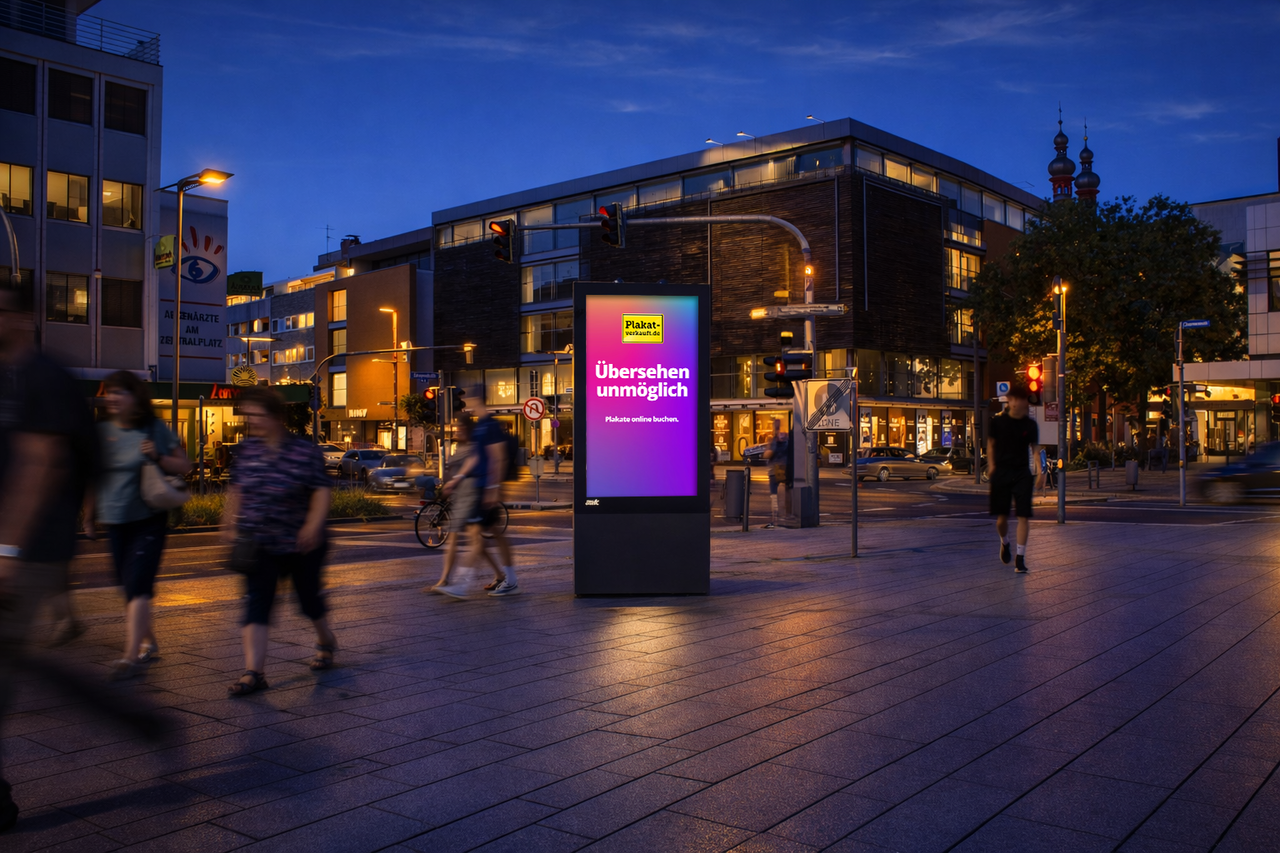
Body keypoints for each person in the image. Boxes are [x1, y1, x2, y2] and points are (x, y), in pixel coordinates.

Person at [0, 287, 99, 832]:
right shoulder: (9, 378)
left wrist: (7, 552)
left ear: (19, 316)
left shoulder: (42, 377)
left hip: (28, 550)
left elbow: (42, 465)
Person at [221, 386, 335, 696]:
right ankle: (253, 672)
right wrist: (230, 521)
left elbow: (322, 491)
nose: (253, 421)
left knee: (308, 600)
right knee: (257, 603)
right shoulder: (247, 450)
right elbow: (237, 489)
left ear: (276, 417)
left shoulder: (304, 451)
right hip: (260, 541)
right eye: (249, 415)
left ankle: (325, 640)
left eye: (259, 415)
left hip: (301, 542)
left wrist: (312, 526)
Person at [83, 371, 191, 680]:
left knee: (138, 586)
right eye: (110, 392)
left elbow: (184, 465)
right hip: (116, 521)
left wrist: (157, 455)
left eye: (121, 392)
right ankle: (150, 640)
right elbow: (94, 477)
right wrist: (89, 517)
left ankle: (130, 657)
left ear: (136, 397)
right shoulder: (101, 432)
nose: (114, 398)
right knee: (127, 587)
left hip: (149, 520)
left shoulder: (153, 428)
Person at [435, 392, 518, 597]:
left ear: (479, 400)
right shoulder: (480, 426)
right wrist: (458, 479)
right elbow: (475, 458)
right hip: (480, 488)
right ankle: (507, 579)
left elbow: (498, 458)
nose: (468, 403)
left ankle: (464, 584)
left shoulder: (489, 425)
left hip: (485, 488)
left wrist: (493, 489)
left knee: (483, 537)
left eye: (471, 399)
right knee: (489, 535)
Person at [987, 385, 1044, 573]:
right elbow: (991, 445)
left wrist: (1040, 471)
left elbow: (1035, 450)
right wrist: (992, 465)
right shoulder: (997, 423)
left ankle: (1020, 558)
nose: (1023, 403)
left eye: (1025, 400)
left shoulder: (1030, 425)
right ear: (1011, 402)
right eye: (1019, 399)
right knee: (1001, 519)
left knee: (1023, 516)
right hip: (1002, 471)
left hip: (1021, 473)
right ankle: (1005, 542)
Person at [762, 419, 790, 529]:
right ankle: (786, 515)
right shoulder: (787, 439)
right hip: (786, 469)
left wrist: (767, 453)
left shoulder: (774, 440)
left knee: (774, 495)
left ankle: (776, 518)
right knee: (787, 493)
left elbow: (768, 454)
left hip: (775, 471)